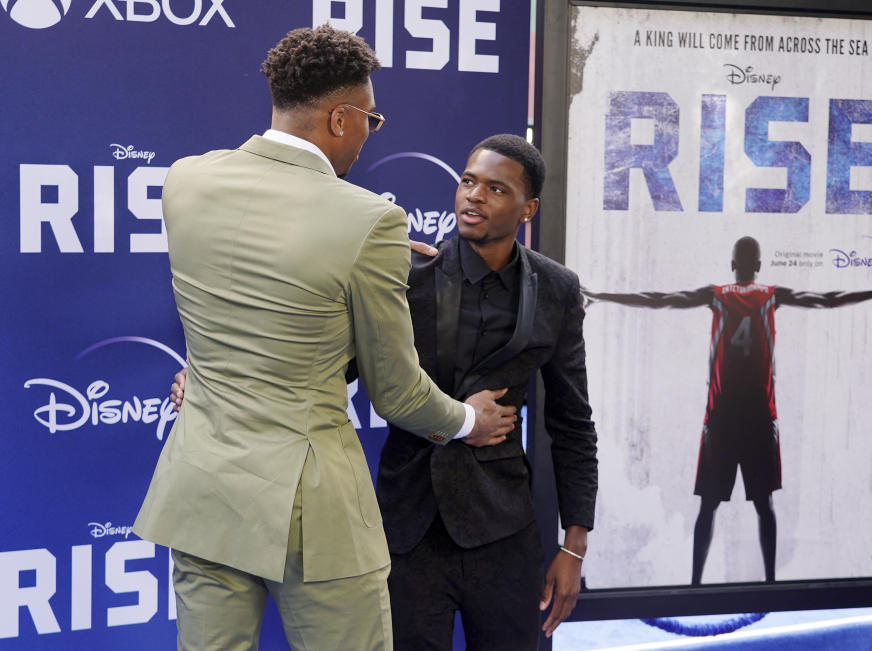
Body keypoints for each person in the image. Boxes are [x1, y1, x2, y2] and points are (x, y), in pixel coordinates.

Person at [135, 26, 516, 651]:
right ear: (342, 118)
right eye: (372, 119)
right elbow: (397, 394)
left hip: (202, 487)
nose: (369, 134)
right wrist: (470, 422)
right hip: (311, 508)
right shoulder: (370, 221)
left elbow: (257, 305)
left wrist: (373, 266)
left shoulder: (185, 181)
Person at [171, 134, 599, 649]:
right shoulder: (406, 273)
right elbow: (323, 363)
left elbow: (573, 422)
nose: (473, 196)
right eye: (467, 181)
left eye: (495, 188)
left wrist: (573, 546)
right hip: (406, 532)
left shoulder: (557, 288)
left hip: (504, 532)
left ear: (528, 208)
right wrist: (217, 376)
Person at [583, 236, 872, 585]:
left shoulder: (717, 294)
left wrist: (599, 297)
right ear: (760, 266)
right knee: (764, 506)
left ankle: (695, 585)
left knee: (709, 506)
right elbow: (827, 301)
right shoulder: (771, 295)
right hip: (759, 419)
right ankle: (769, 583)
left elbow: (658, 301)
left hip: (721, 418)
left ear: (732, 265)